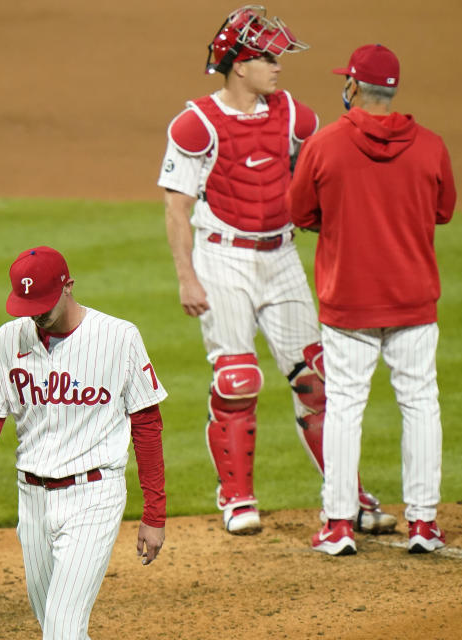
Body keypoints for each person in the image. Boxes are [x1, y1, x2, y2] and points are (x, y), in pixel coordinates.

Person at [157, 5, 395, 536]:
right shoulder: (195, 125)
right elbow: (177, 207)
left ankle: (346, 495)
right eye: (268, 56)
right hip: (222, 258)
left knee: (316, 381)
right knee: (237, 379)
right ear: (239, 65)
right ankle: (237, 497)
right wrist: (186, 276)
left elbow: (324, 175)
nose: (278, 65)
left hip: (281, 256)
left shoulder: (295, 116)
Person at [0, 246, 168, 638]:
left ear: (68, 287)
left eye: (42, 302)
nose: (35, 313)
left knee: (60, 630)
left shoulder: (118, 338)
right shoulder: (8, 340)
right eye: (27, 304)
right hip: (32, 500)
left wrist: (154, 514)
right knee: (55, 624)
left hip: (95, 496)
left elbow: (147, 425)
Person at [287, 43, 456, 555]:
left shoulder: (324, 145)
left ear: (355, 87)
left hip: (349, 304)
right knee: (421, 404)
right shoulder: (431, 146)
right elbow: (442, 211)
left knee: (343, 408)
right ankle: (424, 524)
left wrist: (344, 221)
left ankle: (338, 524)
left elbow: (300, 212)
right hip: (412, 300)